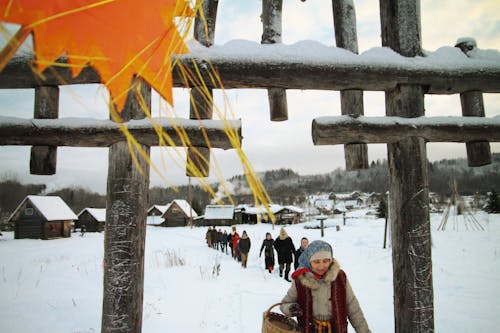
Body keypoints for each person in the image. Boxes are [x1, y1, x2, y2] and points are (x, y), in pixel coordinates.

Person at [280, 240, 371, 333]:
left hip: (336, 329)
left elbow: (353, 308)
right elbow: (284, 304)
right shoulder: (301, 280)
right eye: (316, 261)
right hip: (310, 329)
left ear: (331, 260)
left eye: (325, 261)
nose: (321, 266)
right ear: (309, 261)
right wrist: (290, 308)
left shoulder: (339, 278)